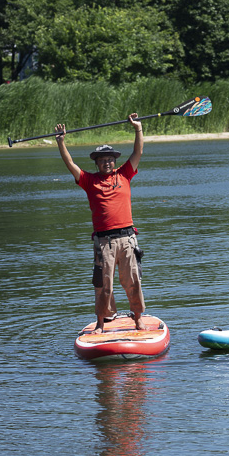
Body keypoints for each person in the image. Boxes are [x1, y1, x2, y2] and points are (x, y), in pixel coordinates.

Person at [55, 114, 149, 333]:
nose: (107, 162)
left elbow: (138, 152)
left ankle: (138, 319)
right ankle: (100, 323)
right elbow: (70, 164)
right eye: (102, 160)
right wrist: (61, 142)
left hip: (127, 238)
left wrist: (138, 129)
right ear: (96, 163)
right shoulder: (89, 181)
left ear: (114, 161)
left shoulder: (125, 174)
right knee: (103, 284)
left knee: (133, 281)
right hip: (104, 241)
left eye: (110, 159)